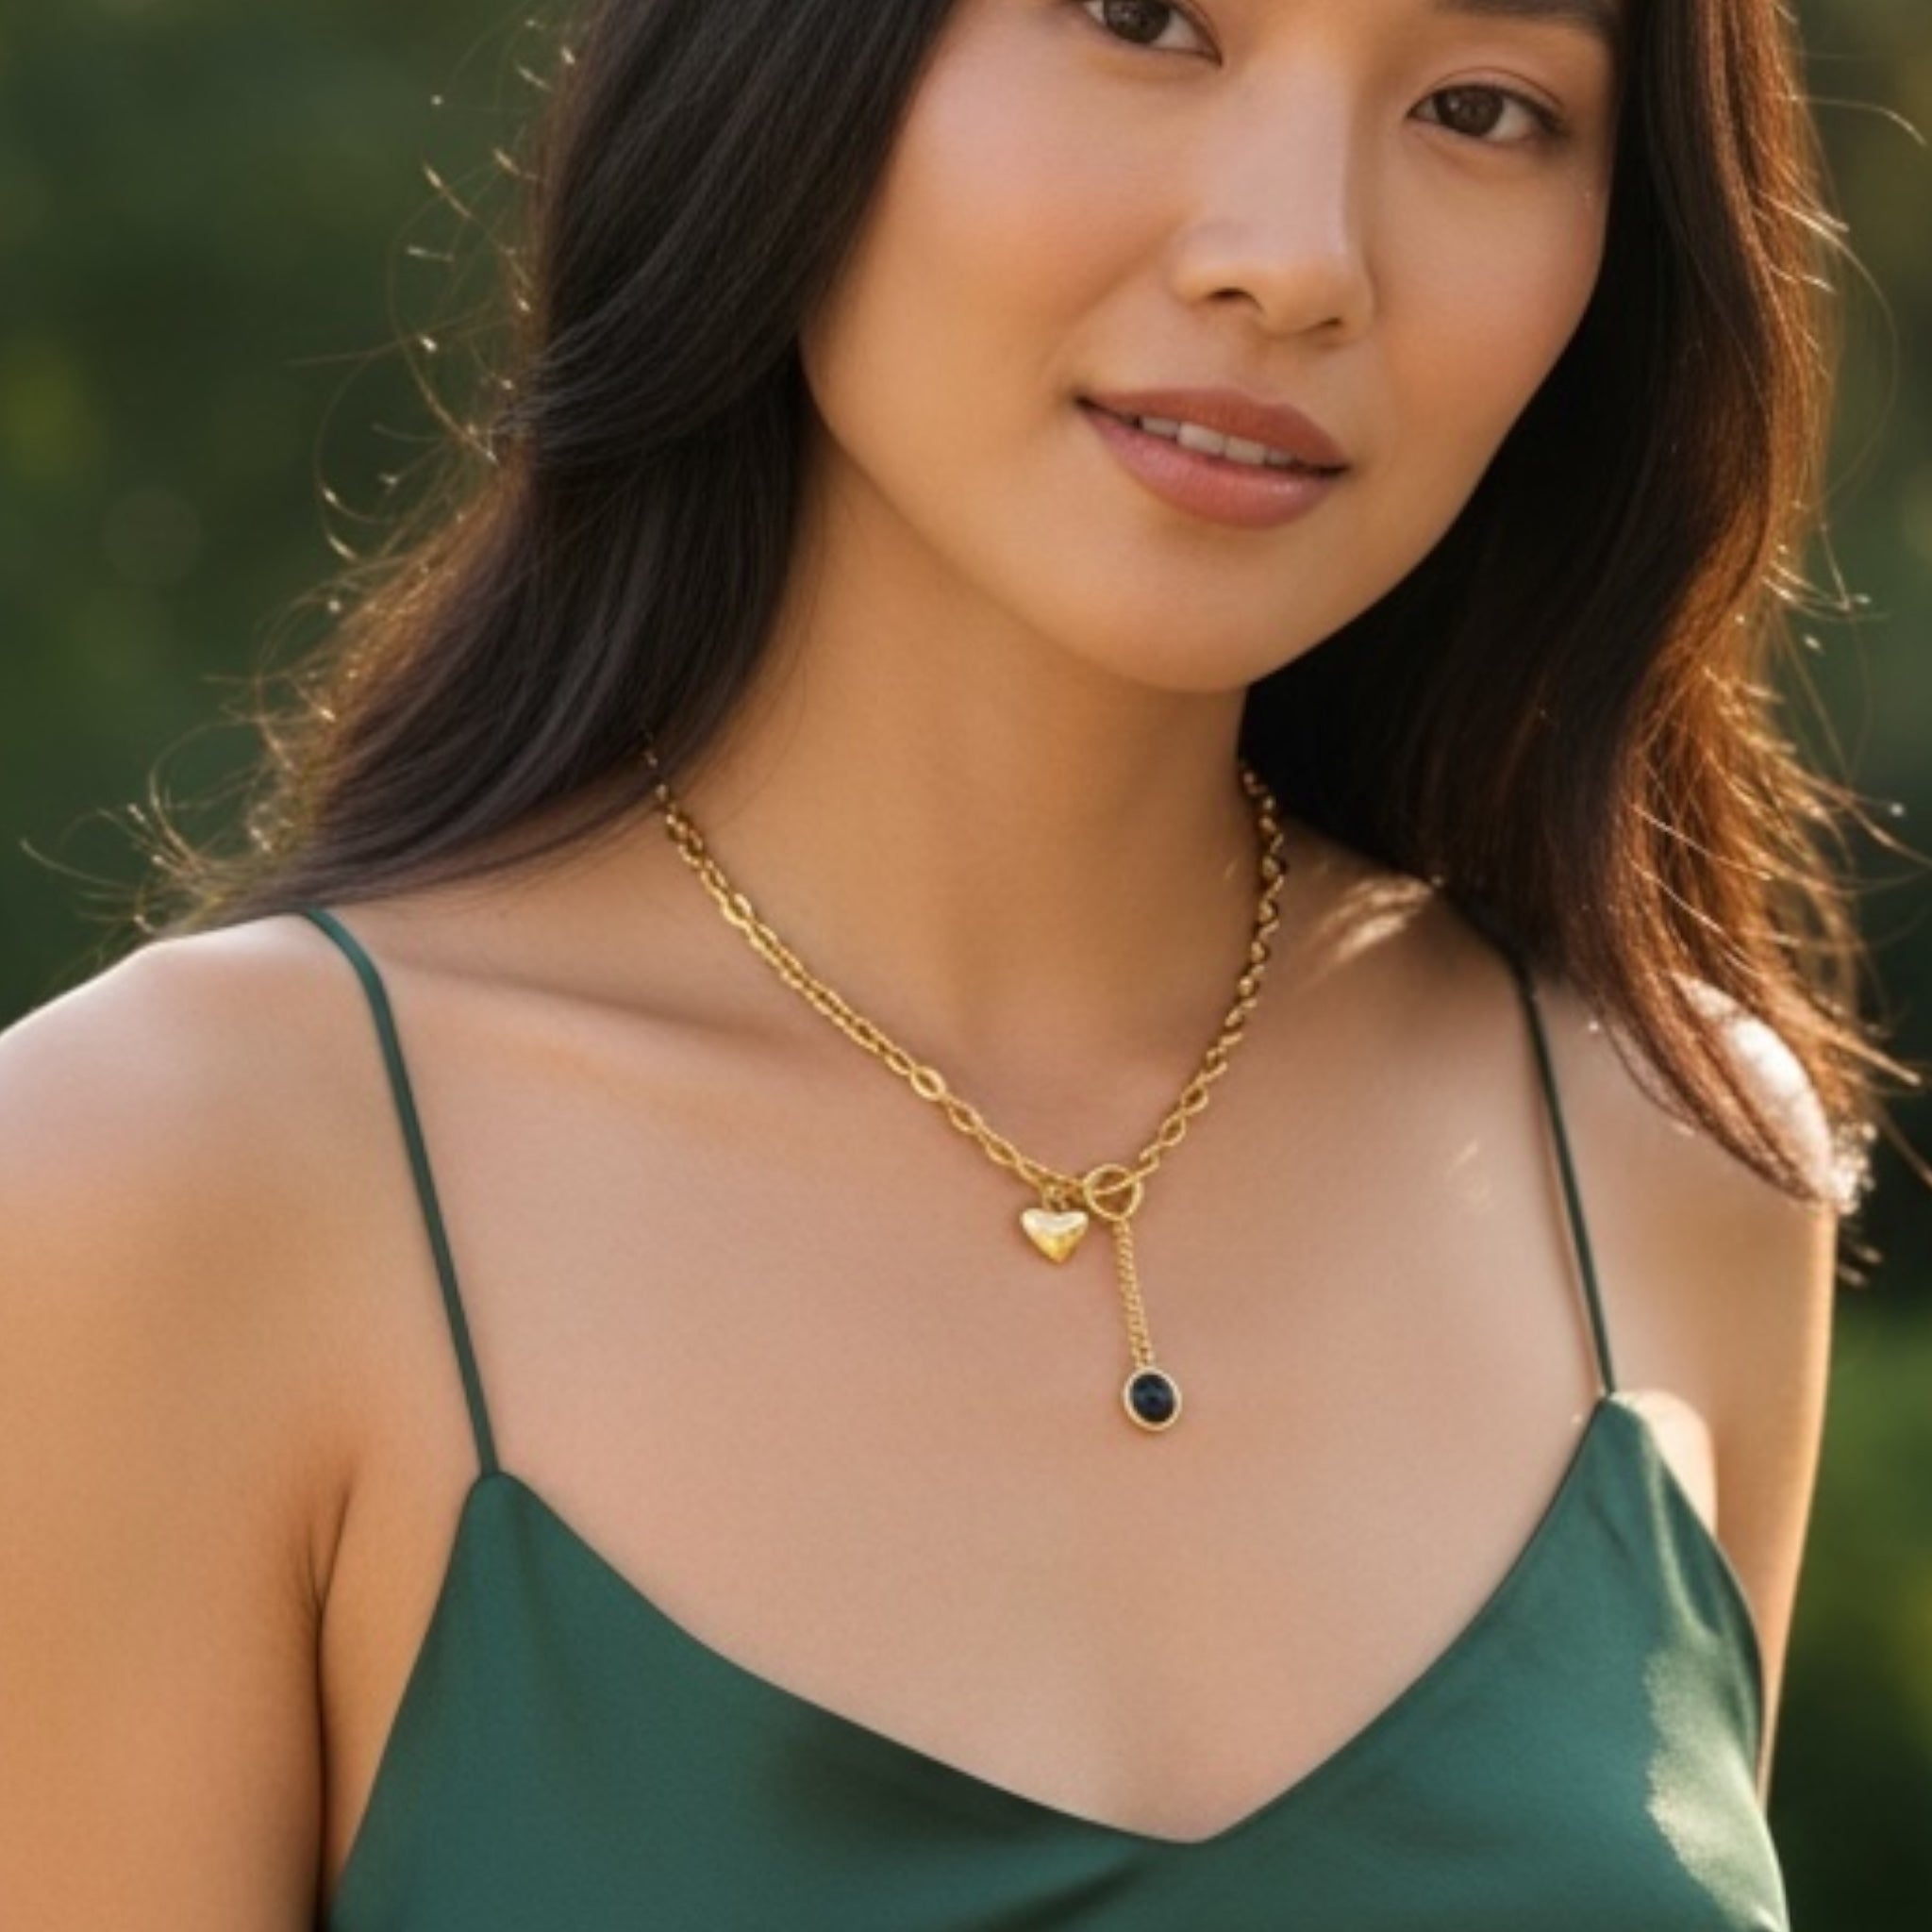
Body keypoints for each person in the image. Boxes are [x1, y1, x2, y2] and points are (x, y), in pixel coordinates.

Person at [0, 0, 1907, 1924]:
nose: (1298, 258)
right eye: (1145, 17)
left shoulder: (1663, 1158)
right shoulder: (166, 1184)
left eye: (1483, 107)